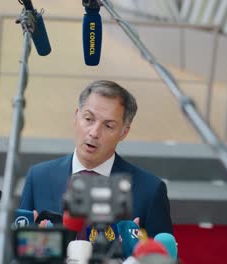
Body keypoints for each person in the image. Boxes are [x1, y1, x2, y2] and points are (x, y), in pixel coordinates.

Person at [19, 80, 173, 237]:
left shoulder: (149, 190)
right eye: (88, 119)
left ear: (123, 133)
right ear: (76, 117)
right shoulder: (39, 177)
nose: (94, 132)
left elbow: (165, 257)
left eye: (108, 126)